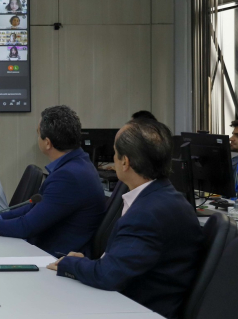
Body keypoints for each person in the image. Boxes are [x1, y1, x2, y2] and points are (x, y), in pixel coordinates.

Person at [48, 119, 203, 319]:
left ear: (125, 162)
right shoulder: (162, 197)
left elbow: (108, 275)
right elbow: (122, 262)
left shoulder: (148, 213)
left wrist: (69, 264)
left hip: (139, 309)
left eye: (115, 153)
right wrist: (88, 264)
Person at [0, 106, 105, 256]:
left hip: (53, 258)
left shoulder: (68, 176)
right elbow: (33, 208)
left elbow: (26, 226)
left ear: (47, 143)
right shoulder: (78, 164)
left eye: (38, 134)